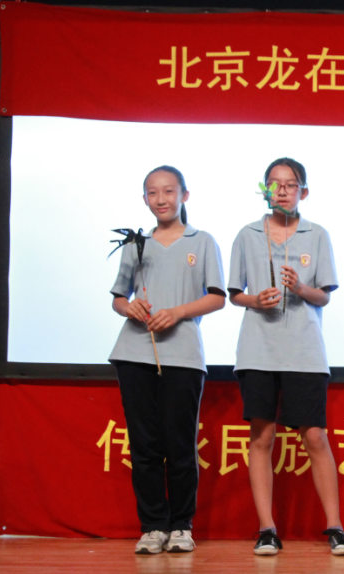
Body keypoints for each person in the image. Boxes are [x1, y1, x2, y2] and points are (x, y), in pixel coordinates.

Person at [228, 158, 344, 557]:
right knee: (262, 436)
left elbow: (324, 296)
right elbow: (234, 294)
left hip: (304, 350)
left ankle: (335, 527)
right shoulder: (247, 234)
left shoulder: (317, 235)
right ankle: (267, 529)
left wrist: (300, 288)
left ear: (304, 192)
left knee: (314, 435)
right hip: (258, 350)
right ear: (265, 189)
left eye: (290, 184)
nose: (282, 190)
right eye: (274, 184)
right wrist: (255, 299)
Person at [109, 166, 226, 554]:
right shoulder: (136, 244)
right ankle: (152, 526)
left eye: (169, 191)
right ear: (144, 199)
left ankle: (181, 525)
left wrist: (177, 312)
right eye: (153, 193)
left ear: (184, 196)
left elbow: (217, 297)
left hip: (183, 356)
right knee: (144, 446)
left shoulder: (202, 241)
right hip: (133, 353)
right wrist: (129, 308)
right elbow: (119, 298)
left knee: (179, 444)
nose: (161, 199)